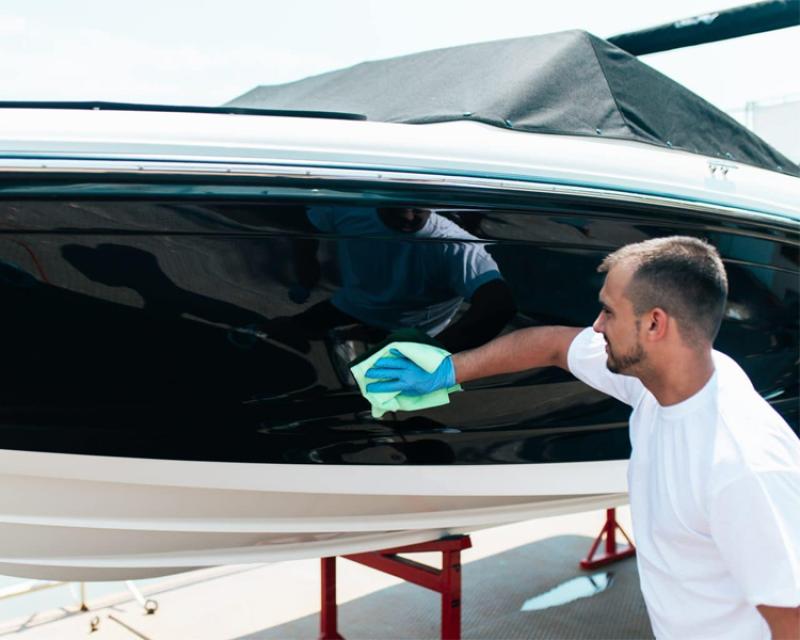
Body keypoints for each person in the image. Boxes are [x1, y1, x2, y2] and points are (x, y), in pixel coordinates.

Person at [365, 236, 800, 639]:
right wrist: (446, 372)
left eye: (609, 312)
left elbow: (791, 619)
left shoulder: (741, 466)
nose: (596, 326)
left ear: (654, 324)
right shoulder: (663, 380)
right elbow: (553, 345)